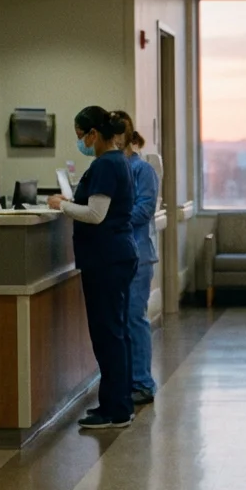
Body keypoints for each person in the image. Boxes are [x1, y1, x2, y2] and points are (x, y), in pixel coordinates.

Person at [48, 106, 138, 430]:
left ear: (94, 134)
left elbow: (96, 214)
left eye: (80, 136)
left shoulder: (105, 164)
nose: (80, 143)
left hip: (106, 259)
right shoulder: (119, 161)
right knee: (117, 333)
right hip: (116, 255)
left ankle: (115, 409)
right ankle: (120, 404)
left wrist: (63, 205)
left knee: (107, 335)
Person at [114, 111, 159, 405]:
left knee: (134, 318)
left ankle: (142, 382)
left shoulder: (142, 171)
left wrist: (109, 217)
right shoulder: (112, 168)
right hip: (118, 255)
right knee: (121, 321)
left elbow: (143, 210)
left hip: (139, 255)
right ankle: (126, 380)